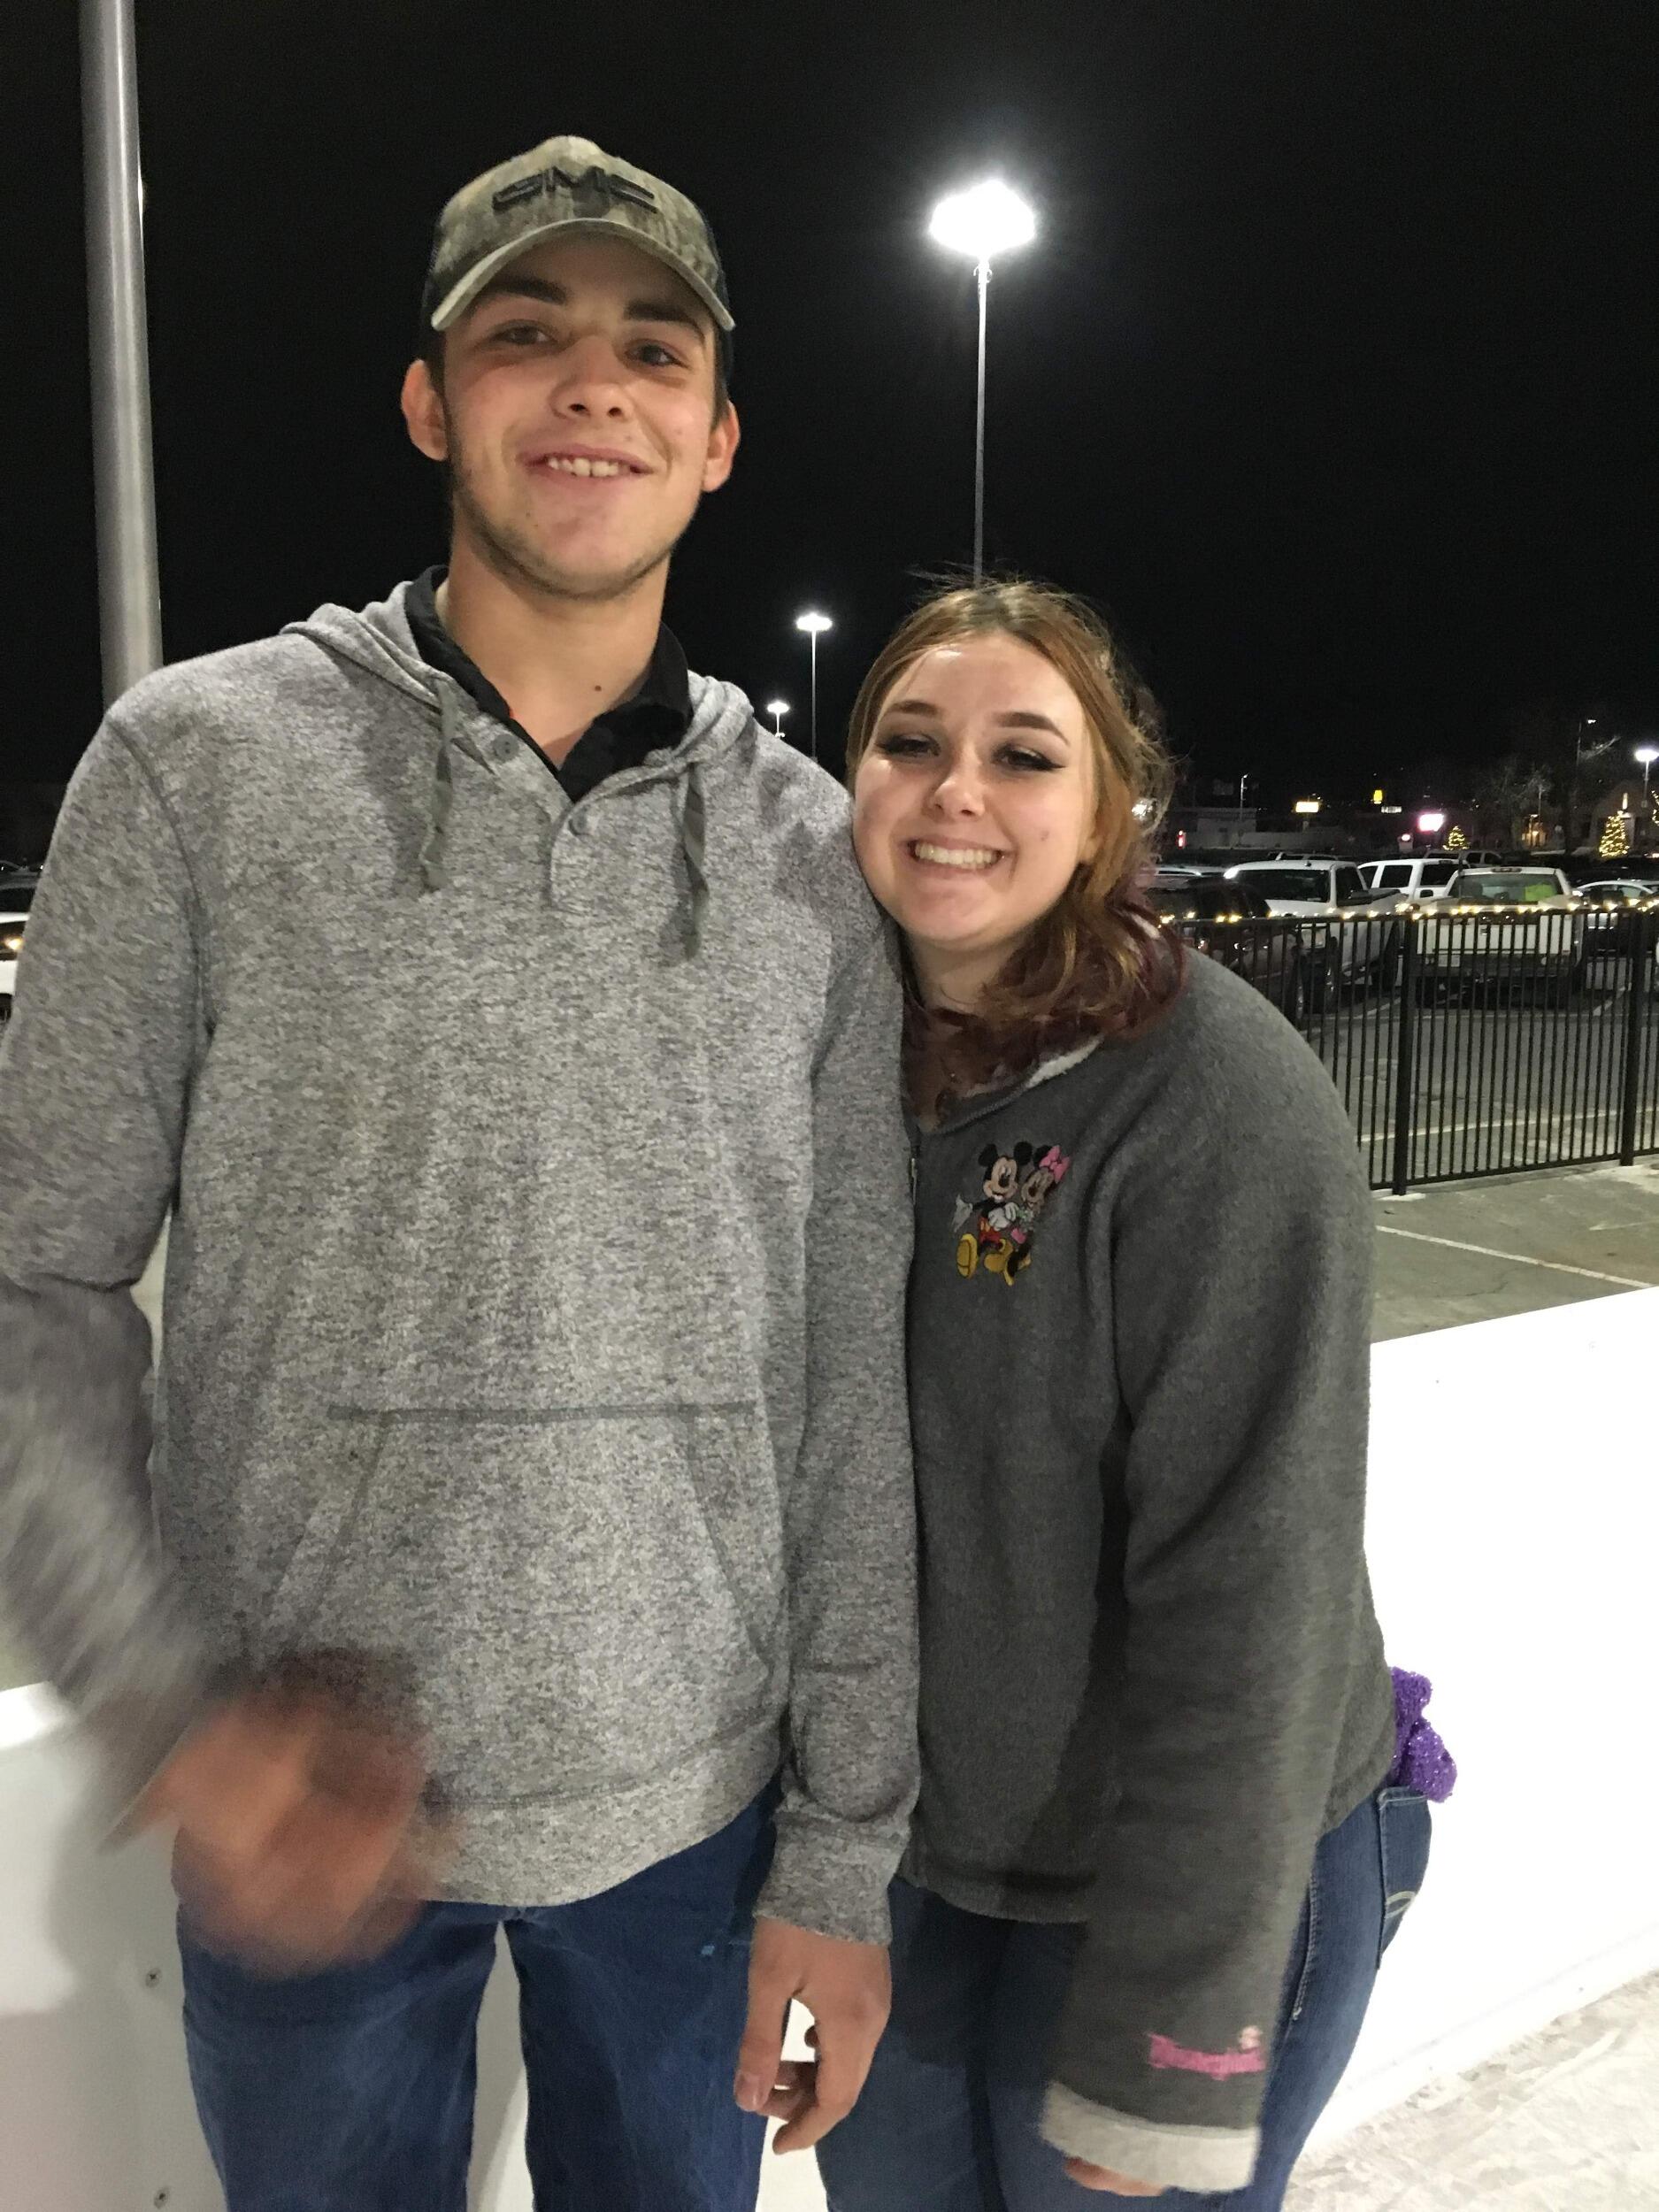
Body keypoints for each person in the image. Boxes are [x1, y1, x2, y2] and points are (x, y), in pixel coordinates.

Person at [0, 135, 917, 2210]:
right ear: (432, 402)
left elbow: (852, 1381)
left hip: (699, 1816)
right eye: (525, 334)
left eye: (648, 350)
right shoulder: (192, 766)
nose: (588, 385)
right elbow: (34, 1281)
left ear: (715, 437)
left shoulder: (809, 861)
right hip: (293, 1807)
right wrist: (171, 1713)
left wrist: (843, 1861)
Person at [802, 580, 1452, 2209]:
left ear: (1106, 815)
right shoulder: (828, 1068)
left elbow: (1256, 1587)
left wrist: (1175, 2032)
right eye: (909, 741)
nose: (955, 791)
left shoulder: (1212, 1100)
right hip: (921, 1869)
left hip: (1183, 1886)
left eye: (1023, 755)